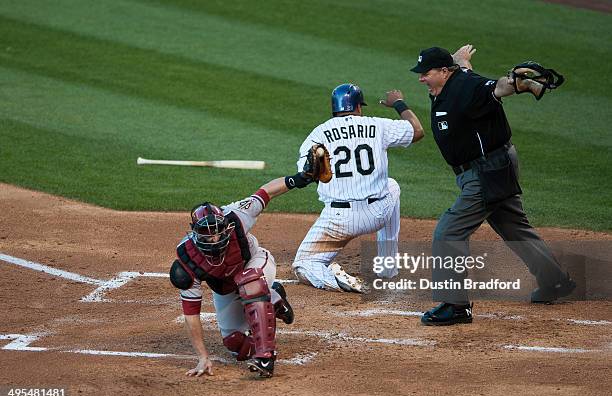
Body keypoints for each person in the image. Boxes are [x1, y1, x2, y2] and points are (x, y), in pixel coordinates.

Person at [397, 44, 575, 325]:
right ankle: (554, 281)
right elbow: (464, 73)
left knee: (449, 232)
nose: (421, 78)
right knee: (513, 225)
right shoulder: (455, 79)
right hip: (494, 164)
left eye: (425, 73)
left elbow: (497, 88)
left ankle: (456, 306)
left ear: (444, 72)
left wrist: (517, 83)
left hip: (485, 171)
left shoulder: (469, 87)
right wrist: (462, 61)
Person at [291, 83, 425, 292]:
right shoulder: (378, 126)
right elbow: (417, 131)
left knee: (304, 265)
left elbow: (308, 174)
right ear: (359, 107)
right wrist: (399, 103)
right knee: (392, 186)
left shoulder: (318, 134)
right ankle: (388, 266)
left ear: (334, 108)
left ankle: (336, 278)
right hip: (377, 212)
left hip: (339, 221)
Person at [169, 176, 298, 378]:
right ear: (195, 233)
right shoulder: (188, 258)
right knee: (236, 344)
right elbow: (191, 314)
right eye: (206, 233)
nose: (213, 238)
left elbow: (266, 192)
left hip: (256, 264)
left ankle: (266, 356)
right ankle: (274, 299)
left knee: (249, 283)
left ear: (225, 227)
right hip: (226, 287)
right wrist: (202, 357)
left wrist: (299, 178)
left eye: (218, 232)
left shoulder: (237, 215)